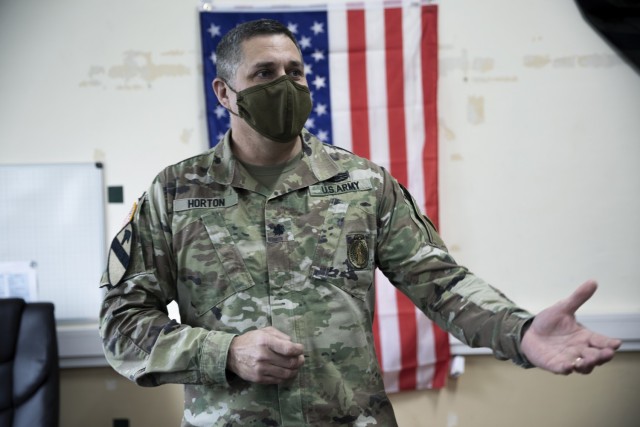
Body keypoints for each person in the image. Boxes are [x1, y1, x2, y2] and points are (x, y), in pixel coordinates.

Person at [99, 18, 621, 427]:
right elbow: (122, 326)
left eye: (294, 72)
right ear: (224, 93)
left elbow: (440, 283)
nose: (285, 83)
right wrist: (225, 352)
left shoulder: (363, 184)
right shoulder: (176, 193)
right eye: (264, 74)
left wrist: (522, 331)